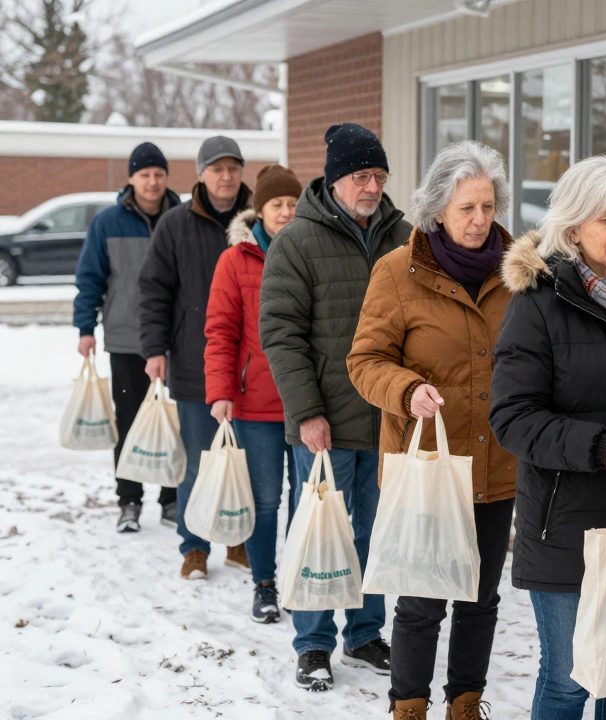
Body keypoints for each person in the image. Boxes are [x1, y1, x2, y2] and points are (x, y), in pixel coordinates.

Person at [347, 140, 516, 720]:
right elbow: (364, 362)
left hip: (496, 465)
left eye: (488, 207)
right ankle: (409, 705)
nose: (479, 221)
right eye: (466, 208)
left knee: (480, 598)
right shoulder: (398, 271)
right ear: (438, 209)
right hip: (425, 467)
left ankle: (465, 701)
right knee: (421, 601)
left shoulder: (519, 272)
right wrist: (406, 389)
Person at [490, 155, 606, 720]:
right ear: (572, 228)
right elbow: (512, 416)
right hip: (564, 528)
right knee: (567, 683)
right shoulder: (539, 304)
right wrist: (601, 446)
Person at [260, 123, 410, 692]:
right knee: (323, 531)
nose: (371, 186)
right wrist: (305, 413)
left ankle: (366, 630)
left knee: (375, 532)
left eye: (378, 176)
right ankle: (314, 642)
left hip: (387, 419)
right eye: (359, 176)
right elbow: (280, 332)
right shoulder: (297, 241)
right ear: (334, 179)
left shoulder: (405, 236)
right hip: (324, 420)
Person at [138, 136, 253, 580]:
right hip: (192, 362)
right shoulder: (175, 224)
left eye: (233, 168)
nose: (226, 177)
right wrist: (154, 348)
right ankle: (195, 546)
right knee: (199, 459)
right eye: (216, 168)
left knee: (242, 460)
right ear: (201, 174)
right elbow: (154, 290)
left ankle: (240, 540)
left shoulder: (257, 219)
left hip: (250, 369)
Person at [205, 164, 303, 624]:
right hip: (254, 403)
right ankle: (263, 583)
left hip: (306, 402)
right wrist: (221, 391)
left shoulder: (311, 250)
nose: (285, 212)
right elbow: (221, 331)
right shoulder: (236, 259)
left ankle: (301, 579)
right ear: (259, 210)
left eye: (291, 204)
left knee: (307, 498)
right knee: (266, 499)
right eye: (276, 205)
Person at [73, 142, 181, 533]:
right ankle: (129, 500)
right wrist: (85, 328)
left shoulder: (182, 217)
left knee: (176, 422)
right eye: (144, 175)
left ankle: (172, 499)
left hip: (177, 341)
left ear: (167, 177)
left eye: (158, 174)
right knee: (130, 421)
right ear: (132, 179)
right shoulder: (108, 223)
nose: (152, 182)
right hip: (125, 339)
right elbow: (90, 279)